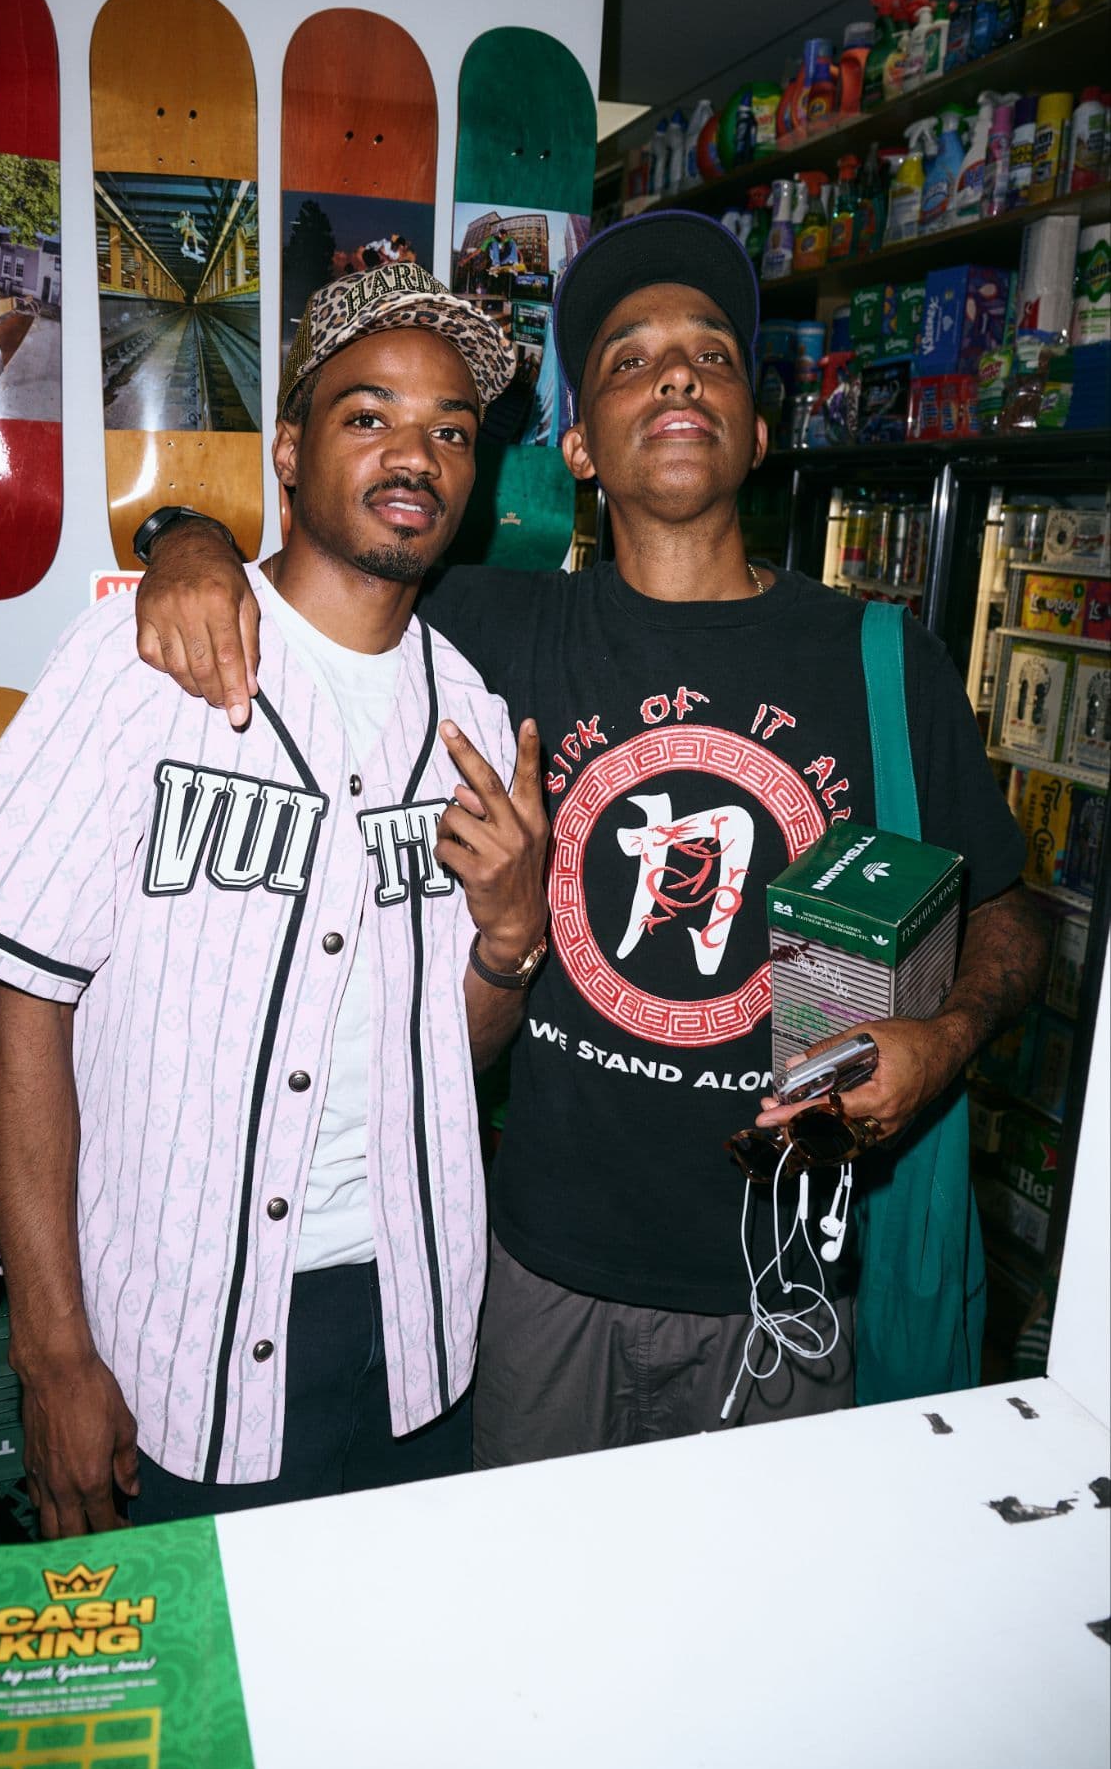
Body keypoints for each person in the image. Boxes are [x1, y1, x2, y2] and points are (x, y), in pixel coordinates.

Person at [132, 210, 1047, 1468]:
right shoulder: (486, 629)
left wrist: (943, 1039)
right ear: (574, 445)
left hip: (786, 1282)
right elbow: (327, 550)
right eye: (627, 358)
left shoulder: (884, 659)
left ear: (761, 429)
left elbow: (1009, 910)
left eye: (711, 353)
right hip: (535, 1272)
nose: (675, 373)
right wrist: (184, 541)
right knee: (528, 1634)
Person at [0, 261, 551, 1535]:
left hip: (414, 1322)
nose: (413, 452)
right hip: (174, 1339)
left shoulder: (473, 716)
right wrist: (51, 1349)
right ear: (292, 450)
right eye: (369, 416)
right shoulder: (149, 655)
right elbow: (23, 1004)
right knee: (191, 1717)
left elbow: (446, 1058)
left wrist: (511, 938)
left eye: (450, 430)